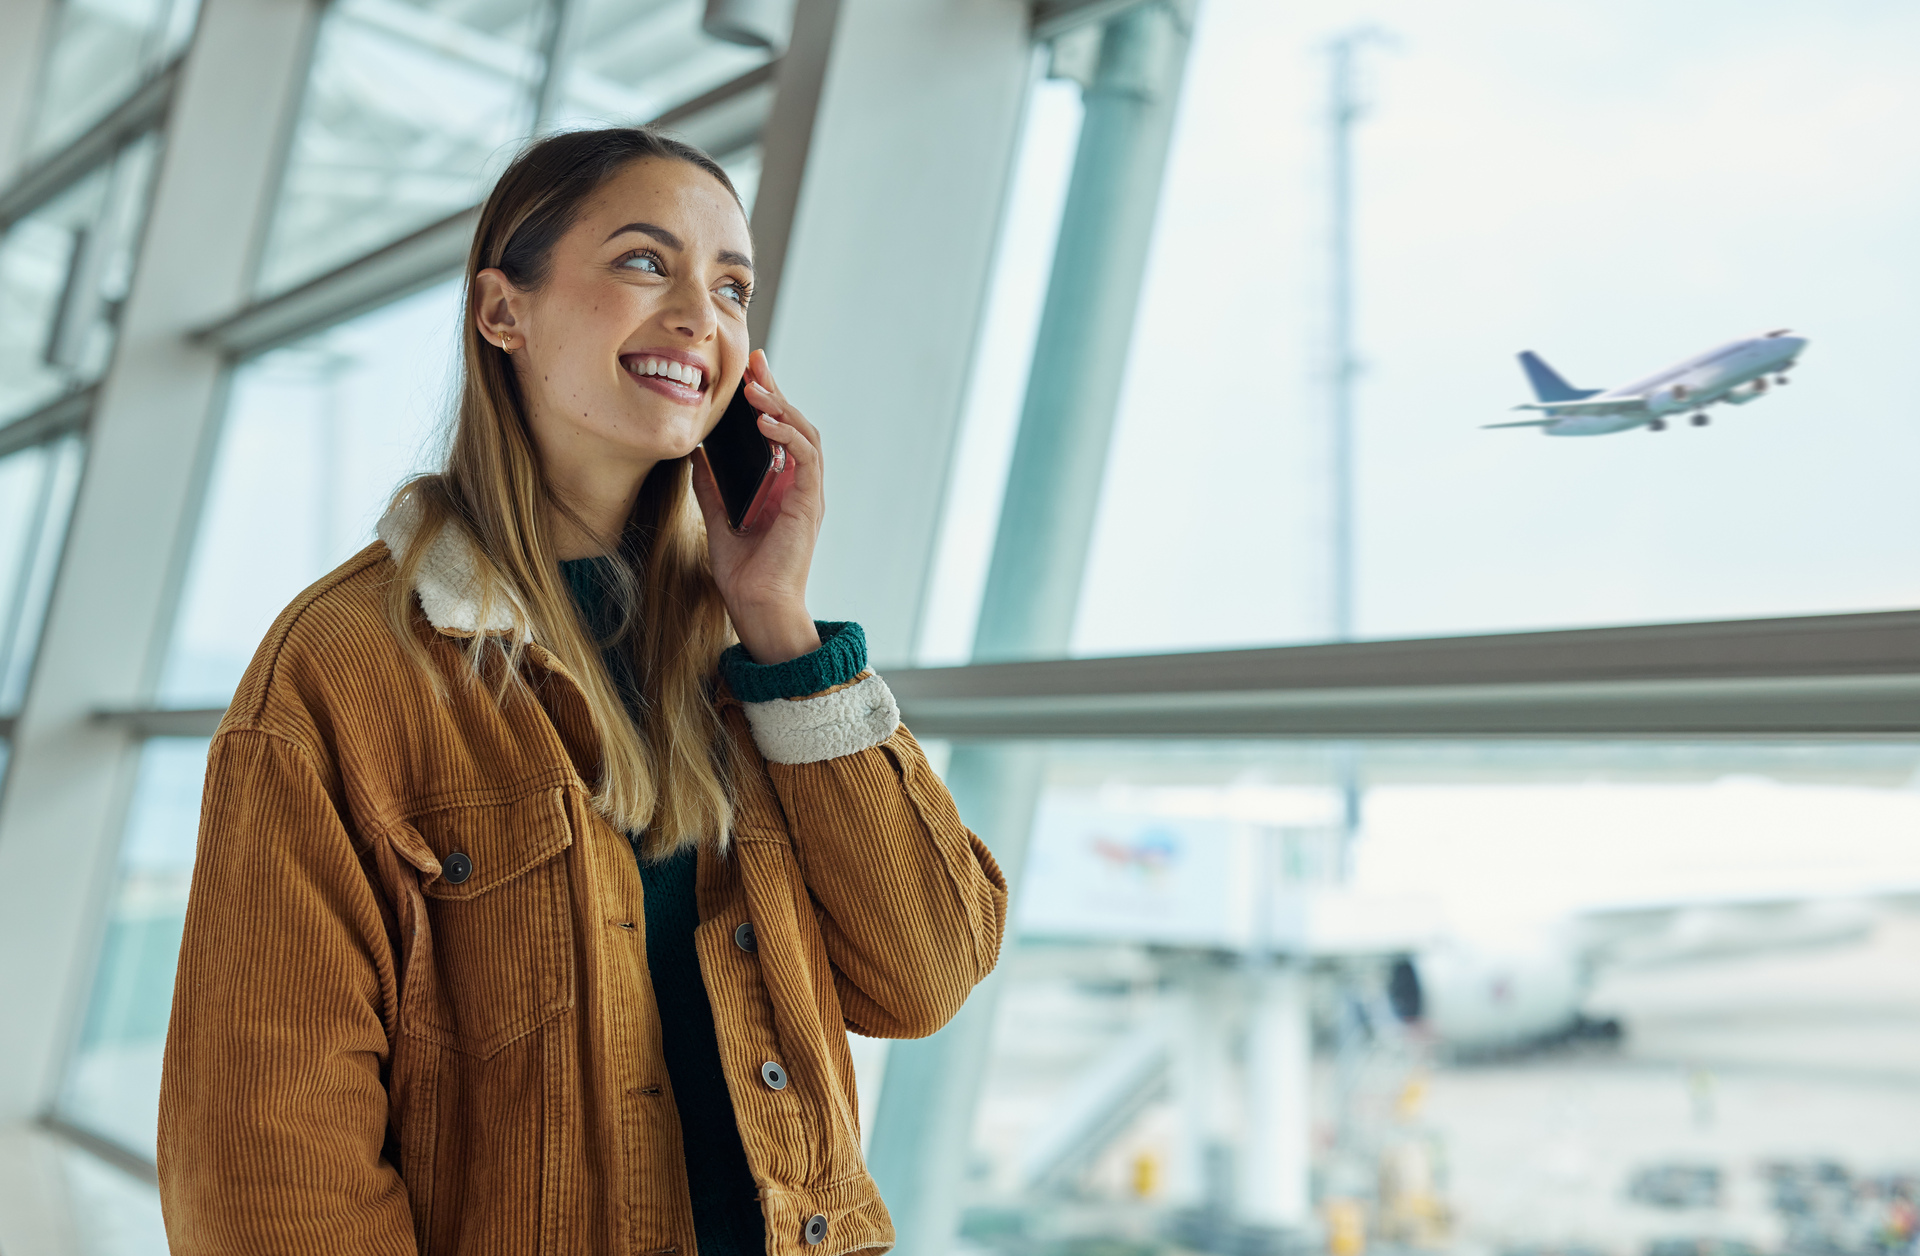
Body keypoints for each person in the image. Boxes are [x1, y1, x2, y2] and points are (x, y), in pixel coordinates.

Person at [156, 126, 1008, 1255]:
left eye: (733, 285)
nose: (701, 315)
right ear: (502, 312)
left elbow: (926, 969)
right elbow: (269, 1169)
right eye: (646, 262)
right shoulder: (342, 671)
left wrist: (782, 626)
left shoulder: (742, 651)